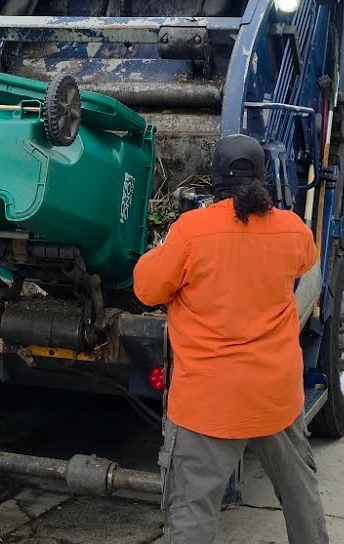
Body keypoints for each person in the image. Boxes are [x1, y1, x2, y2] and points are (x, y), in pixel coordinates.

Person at [134, 134, 329, 544]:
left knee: (193, 509)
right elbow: (306, 262)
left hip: (209, 400)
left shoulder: (191, 231)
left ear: (215, 179)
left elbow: (147, 290)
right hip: (275, 395)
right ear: (263, 178)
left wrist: (159, 251)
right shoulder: (292, 229)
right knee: (300, 491)